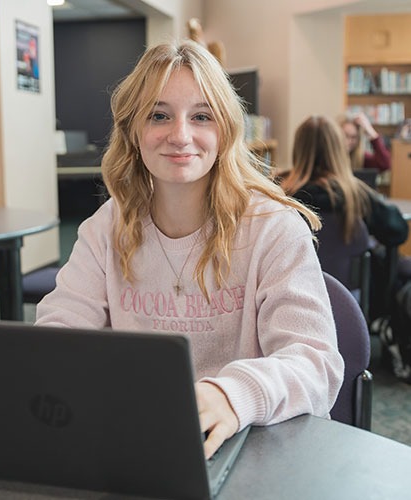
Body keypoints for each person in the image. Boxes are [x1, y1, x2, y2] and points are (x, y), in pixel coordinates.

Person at [36, 41, 344, 459]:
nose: (180, 136)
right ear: (133, 130)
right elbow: (57, 337)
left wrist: (233, 395)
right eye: (159, 115)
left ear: (225, 130)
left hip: (248, 442)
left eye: (201, 116)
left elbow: (316, 363)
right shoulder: (107, 227)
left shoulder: (274, 229)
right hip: (136, 440)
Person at [281, 115, 408, 320]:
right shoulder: (357, 194)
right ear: (338, 149)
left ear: (298, 149)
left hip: (289, 297)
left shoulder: (278, 193)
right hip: (351, 300)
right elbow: (397, 231)